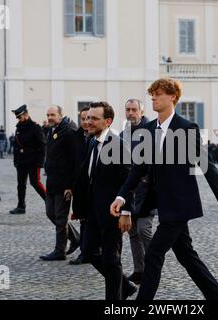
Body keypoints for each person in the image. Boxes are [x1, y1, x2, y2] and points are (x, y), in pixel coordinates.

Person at [110, 78, 218, 300]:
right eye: (152, 94)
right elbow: (138, 169)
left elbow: (208, 168)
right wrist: (122, 196)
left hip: (180, 204)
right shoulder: (149, 129)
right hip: (160, 203)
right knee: (186, 256)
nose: (153, 98)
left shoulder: (187, 128)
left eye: (158, 94)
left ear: (172, 97)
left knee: (153, 254)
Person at [76, 102, 137, 300]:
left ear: (108, 121)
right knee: (88, 251)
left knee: (111, 261)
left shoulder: (119, 146)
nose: (88, 122)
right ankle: (125, 286)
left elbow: (129, 182)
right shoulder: (92, 142)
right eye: (87, 118)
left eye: (94, 118)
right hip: (92, 211)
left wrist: (126, 212)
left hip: (113, 212)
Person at [119, 98, 155, 284]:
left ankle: (153, 267)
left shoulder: (151, 130)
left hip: (148, 190)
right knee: (133, 232)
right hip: (130, 190)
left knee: (144, 230)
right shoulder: (123, 133)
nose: (131, 113)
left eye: (134, 110)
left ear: (141, 112)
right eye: (128, 110)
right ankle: (139, 270)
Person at [40, 106, 78, 261]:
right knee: (51, 213)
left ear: (60, 115)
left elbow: (73, 161)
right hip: (52, 181)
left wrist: (70, 186)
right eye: (48, 114)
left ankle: (59, 251)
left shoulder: (68, 131)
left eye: (53, 115)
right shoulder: (52, 130)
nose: (49, 117)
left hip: (64, 183)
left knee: (61, 218)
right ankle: (76, 238)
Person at [70, 106, 97, 265]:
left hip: (94, 186)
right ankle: (85, 252)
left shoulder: (98, 138)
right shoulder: (75, 137)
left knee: (93, 220)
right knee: (82, 219)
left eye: (90, 118)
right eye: (84, 119)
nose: (87, 122)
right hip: (80, 186)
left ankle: (92, 250)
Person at [10, 105, 47, 215]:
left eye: (20, 117)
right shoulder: (19, 127)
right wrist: (15, 160)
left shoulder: (35, 127)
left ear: (26, 115)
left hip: (33, 160)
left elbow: (42, 145)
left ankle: (49, 201)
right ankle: (21, 206)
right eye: (17, 118)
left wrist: (40, 162)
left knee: (35, 183)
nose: (18, 119)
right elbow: (16, 146)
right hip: (21, 161)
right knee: (21, 184)